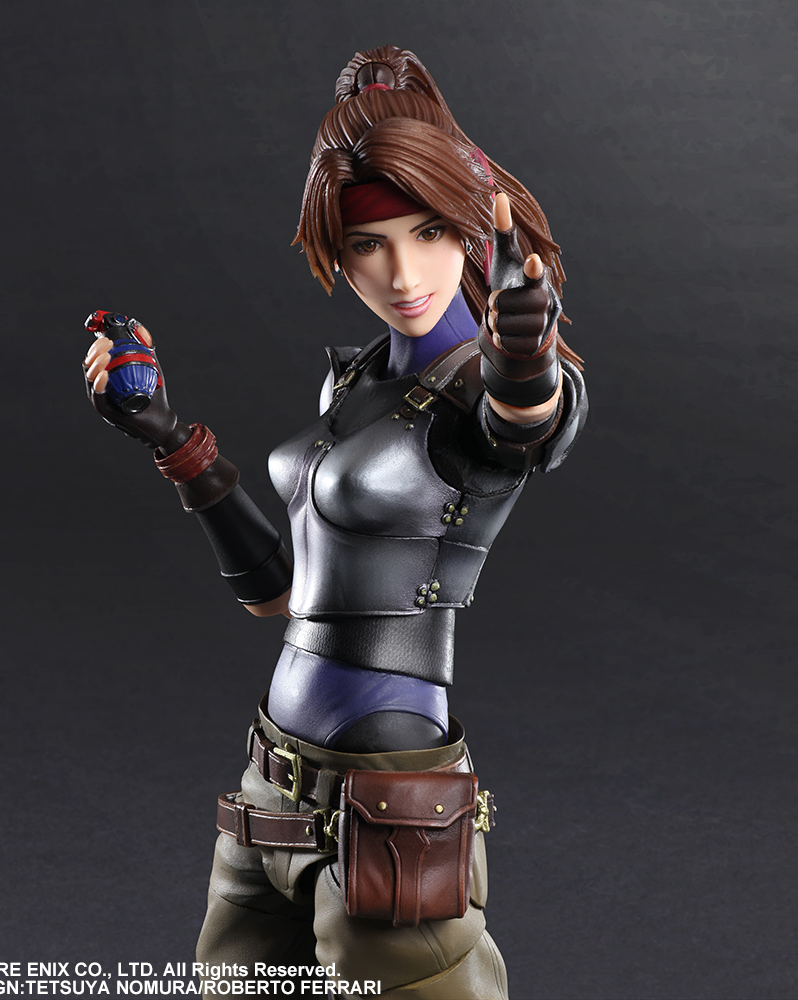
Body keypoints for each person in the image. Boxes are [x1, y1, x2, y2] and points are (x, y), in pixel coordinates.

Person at [83, 45, 586, 1000]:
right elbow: (281, 594)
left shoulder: (475, 390)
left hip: (389, 800)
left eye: (430, 231)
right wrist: (174, 443)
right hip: (271, 785)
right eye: (366, 243)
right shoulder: (353, 382)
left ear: (471, 224)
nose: (403, 272)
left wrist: (526, 359)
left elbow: (524, 424)